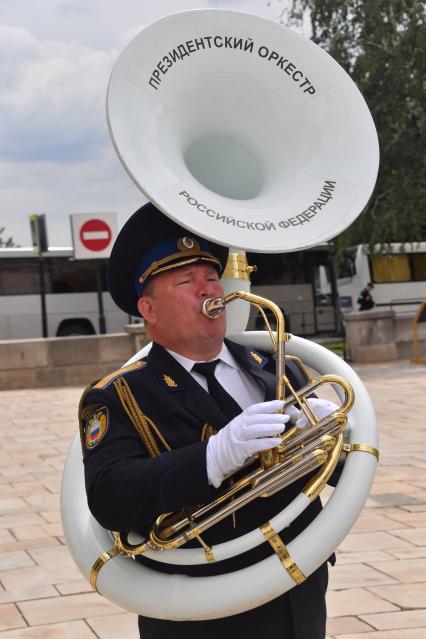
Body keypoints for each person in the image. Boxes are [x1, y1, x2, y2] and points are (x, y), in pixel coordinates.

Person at [79, 203, 343, 639]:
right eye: (186, 282)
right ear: (149, 308)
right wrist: (213, 456)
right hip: (201, 609)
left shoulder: (278, 366)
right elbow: (109, 495)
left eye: (212, 277)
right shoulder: (119, 394)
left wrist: (339, 435)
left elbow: (331, 468)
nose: (208, 290)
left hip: (299, 588)